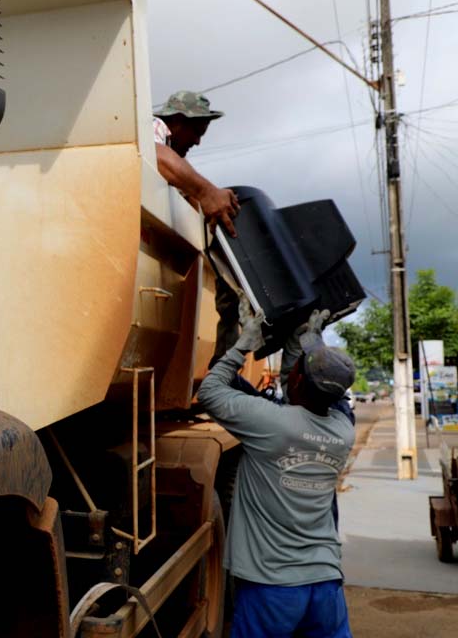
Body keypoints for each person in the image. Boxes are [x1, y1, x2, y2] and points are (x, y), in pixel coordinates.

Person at [197, 304, 356, 638]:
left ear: (295, 380)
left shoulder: (269, 423)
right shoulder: (343, 431)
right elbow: (332, 396)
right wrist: (313, 342)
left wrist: (243, 346)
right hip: (325, 585)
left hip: (272, 587)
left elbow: (210, 391)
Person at [153, 90, 240, 237]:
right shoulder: (155, 125)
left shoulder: (174, 159)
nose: (197, 142)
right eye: (196, 132)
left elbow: (189, 195)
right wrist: (207, 192)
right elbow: (154, 152)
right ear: (176, 120)